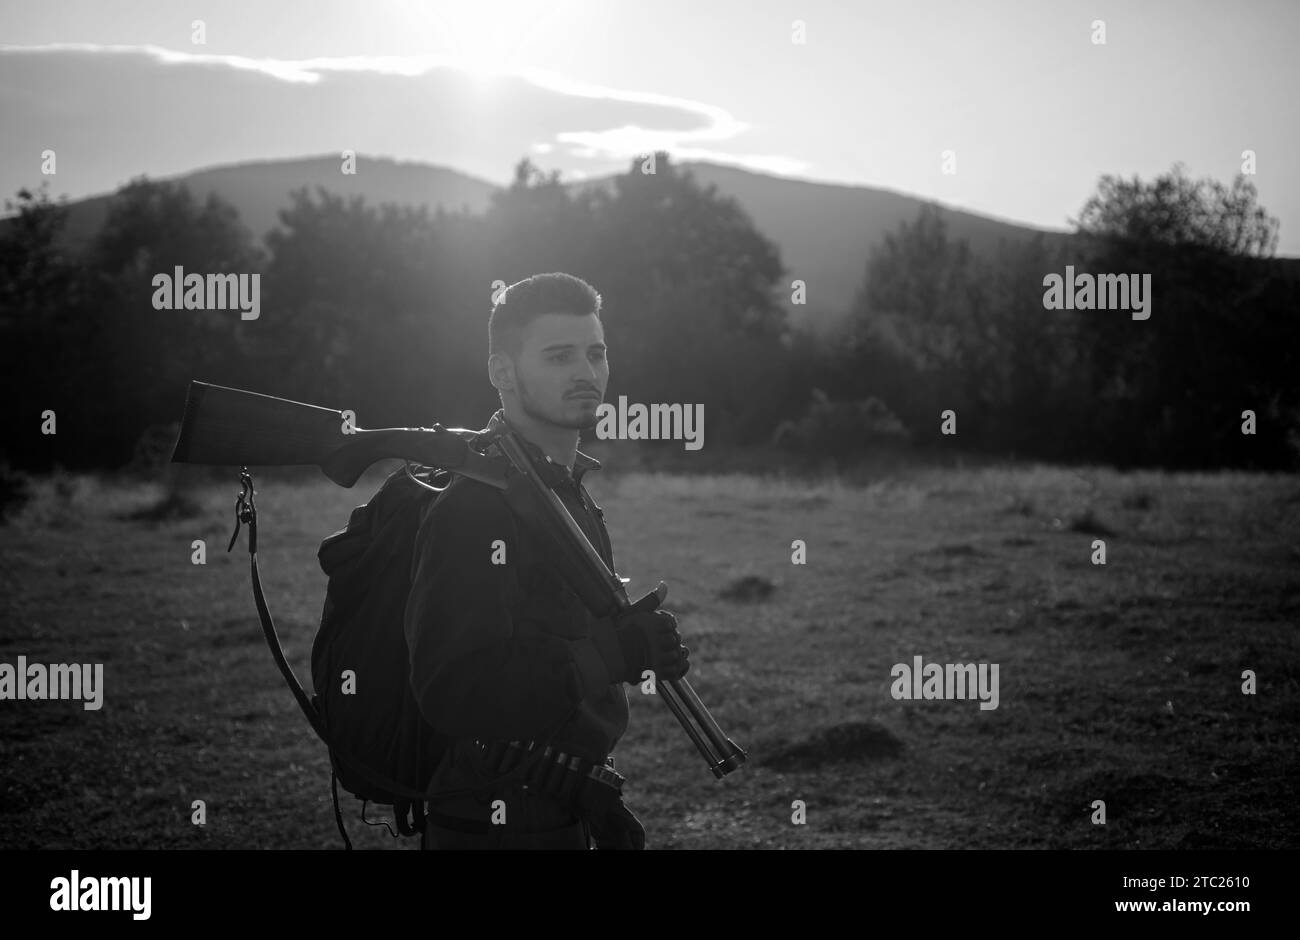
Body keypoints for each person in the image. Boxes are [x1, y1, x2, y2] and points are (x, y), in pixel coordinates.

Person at [405, 272, 690, 850]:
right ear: (502, 373)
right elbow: (454, 690)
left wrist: (630, 643)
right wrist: (608, 655)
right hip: (493, 825)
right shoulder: (478, 507)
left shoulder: (560, 487)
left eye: (595, 353)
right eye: (560, 357)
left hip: (561, 803)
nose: (586, 373)